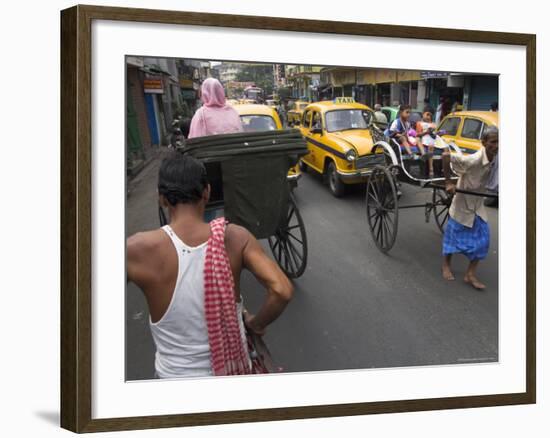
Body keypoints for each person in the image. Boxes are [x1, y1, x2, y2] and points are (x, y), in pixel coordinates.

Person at [127, 154, 293, 378]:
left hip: (173, 380)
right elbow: (281, 290)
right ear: (207, 192)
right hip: (232, 374)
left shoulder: (136, 249)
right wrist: (255, 323)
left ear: (161, 199)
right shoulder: (236, 237)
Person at [441, 126, 499, 290]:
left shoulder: (497, 158)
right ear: (484, 142)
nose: (497, 146)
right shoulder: (473, 160)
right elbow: (446, 155)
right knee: (452, 239)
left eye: (499, 142)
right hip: (463, 203)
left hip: (477, 204)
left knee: (484, 240)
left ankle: (470, 274)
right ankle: (446, 264)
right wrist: (448, 182)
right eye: (493, 142)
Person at [415, 111, 437, 176]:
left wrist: (432, 133)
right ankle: (431, 169)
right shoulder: (419, 123)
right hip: (424, 138)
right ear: (423, 115)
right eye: (426, 114)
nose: (427, 116)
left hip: (433, 139)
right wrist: (426, 132)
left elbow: (435, 135)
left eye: (429, 115)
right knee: (430, 146)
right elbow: (418, 134)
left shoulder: (434, 124)